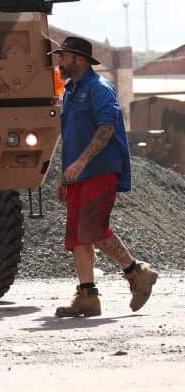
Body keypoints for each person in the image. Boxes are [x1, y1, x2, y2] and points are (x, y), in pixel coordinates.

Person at [50, 36, 158, 317]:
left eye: (64, 57)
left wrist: (82, 163)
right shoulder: (71, 91)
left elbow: (106, 128)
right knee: (77, 236)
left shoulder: (99, 89)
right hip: (77, 174)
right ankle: (88, 296)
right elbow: (71, 137)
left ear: (81, 60)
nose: (60, 61)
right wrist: (65, 175)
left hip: (100, 169)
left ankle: (137, 271)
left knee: (93, 229)